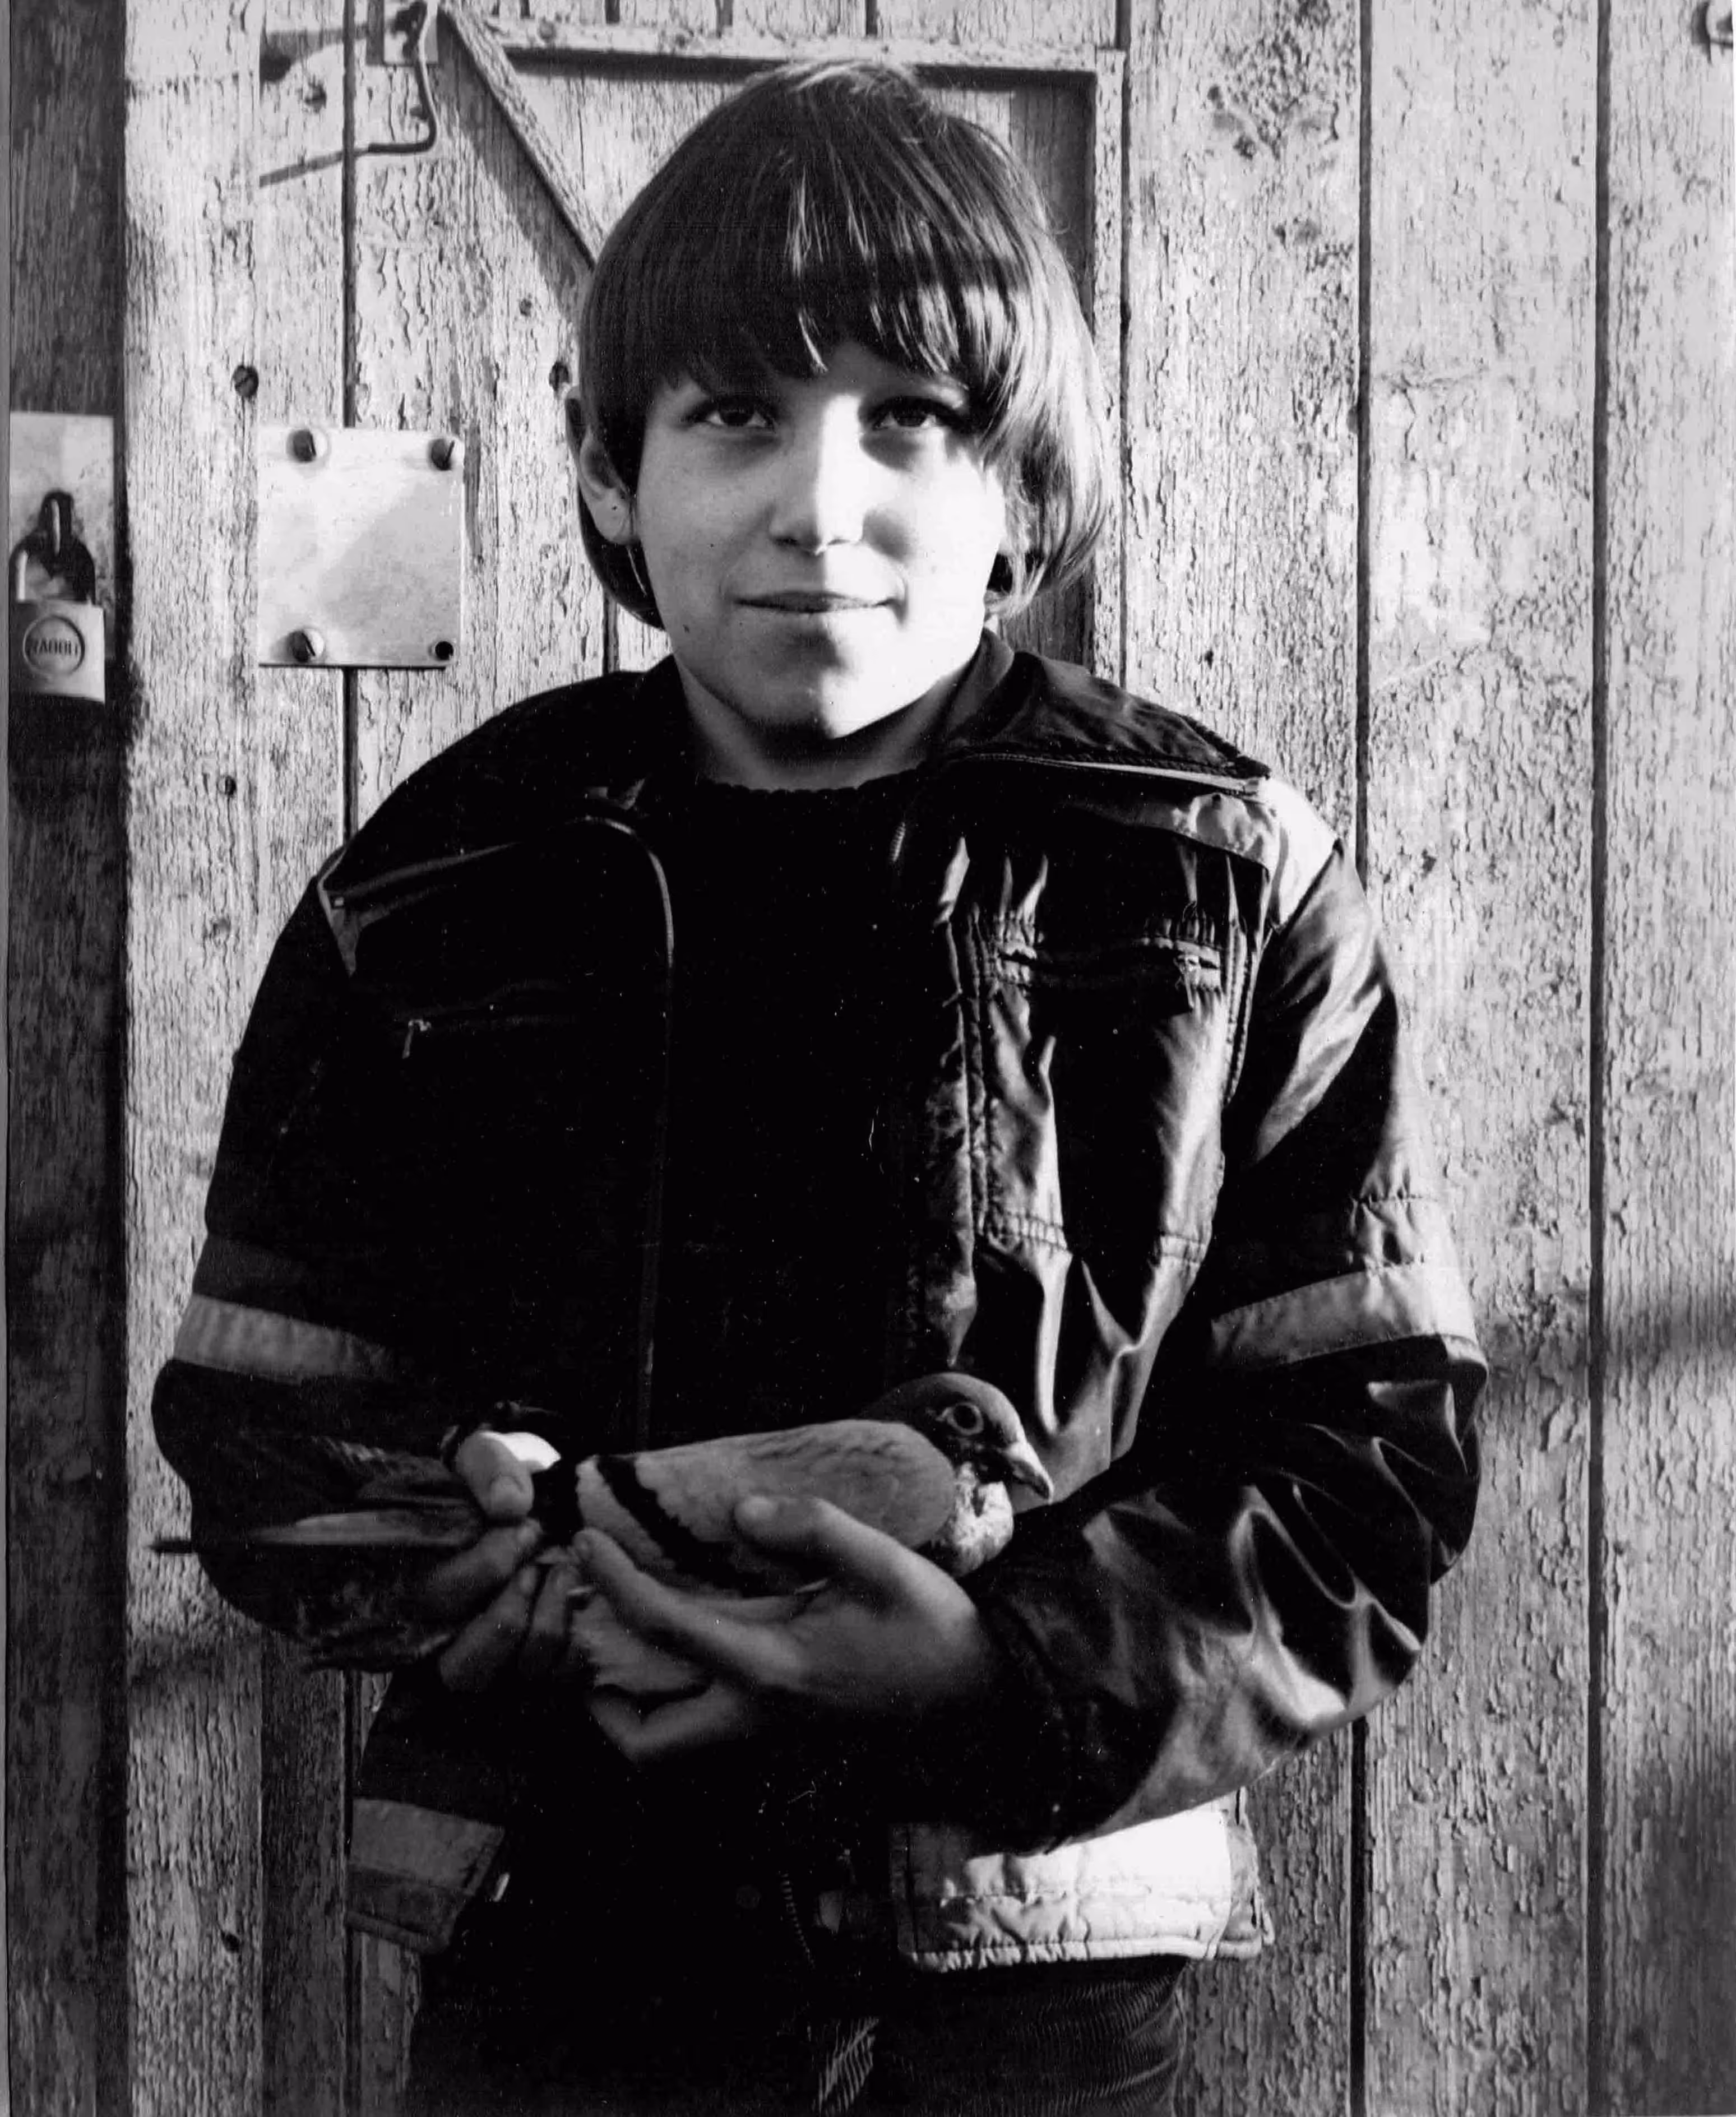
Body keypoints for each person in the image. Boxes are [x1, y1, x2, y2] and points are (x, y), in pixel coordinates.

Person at [154, 59, 1484, 2116]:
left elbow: (1364, 1465)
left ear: (1024, 492)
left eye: (911, 420)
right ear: (613, 478)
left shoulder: (1229, 882)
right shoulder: (426, 895)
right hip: (559, 1943)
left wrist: (992, 1667)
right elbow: (263, 1414)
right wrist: (482, 1561)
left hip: (1034, 1986)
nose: (818, 500)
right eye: (737, 415)